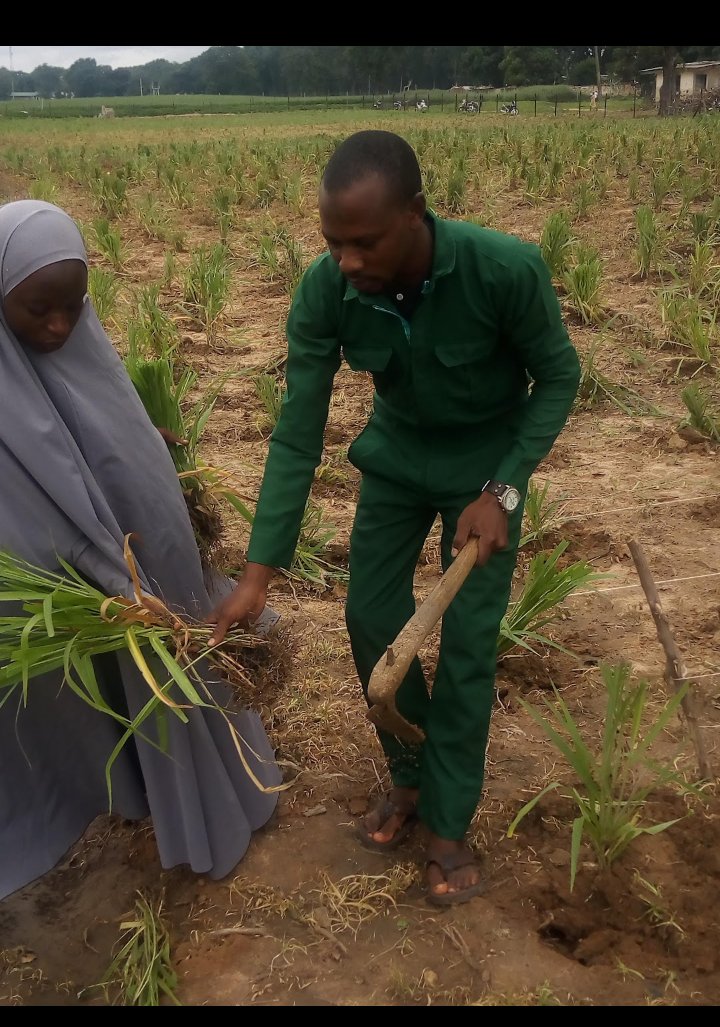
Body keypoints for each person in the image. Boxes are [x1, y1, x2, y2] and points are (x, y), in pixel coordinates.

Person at [208, 130, 581, 906]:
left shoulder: (502, 268)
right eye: (332, 242)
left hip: (485, 468)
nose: (347, 261)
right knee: (370, 614)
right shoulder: (325, 290)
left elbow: (558, 376)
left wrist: (505, 488)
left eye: (364, 242)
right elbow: (297, 427)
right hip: (399, 458)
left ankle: (448, 821)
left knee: (470, 646)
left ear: (416, 212)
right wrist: (257, 575)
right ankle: (408, 775)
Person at [0, 199, 283, 902]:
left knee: (161, 680)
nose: (60, 326)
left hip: (135, 588)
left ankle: (184, 791)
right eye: (39, 309)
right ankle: (99, 792)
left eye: (74, 305)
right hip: (52, 598)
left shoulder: (78, 345)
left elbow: (103, 439)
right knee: (71, 708)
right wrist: (97, 566)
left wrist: (143, 453)